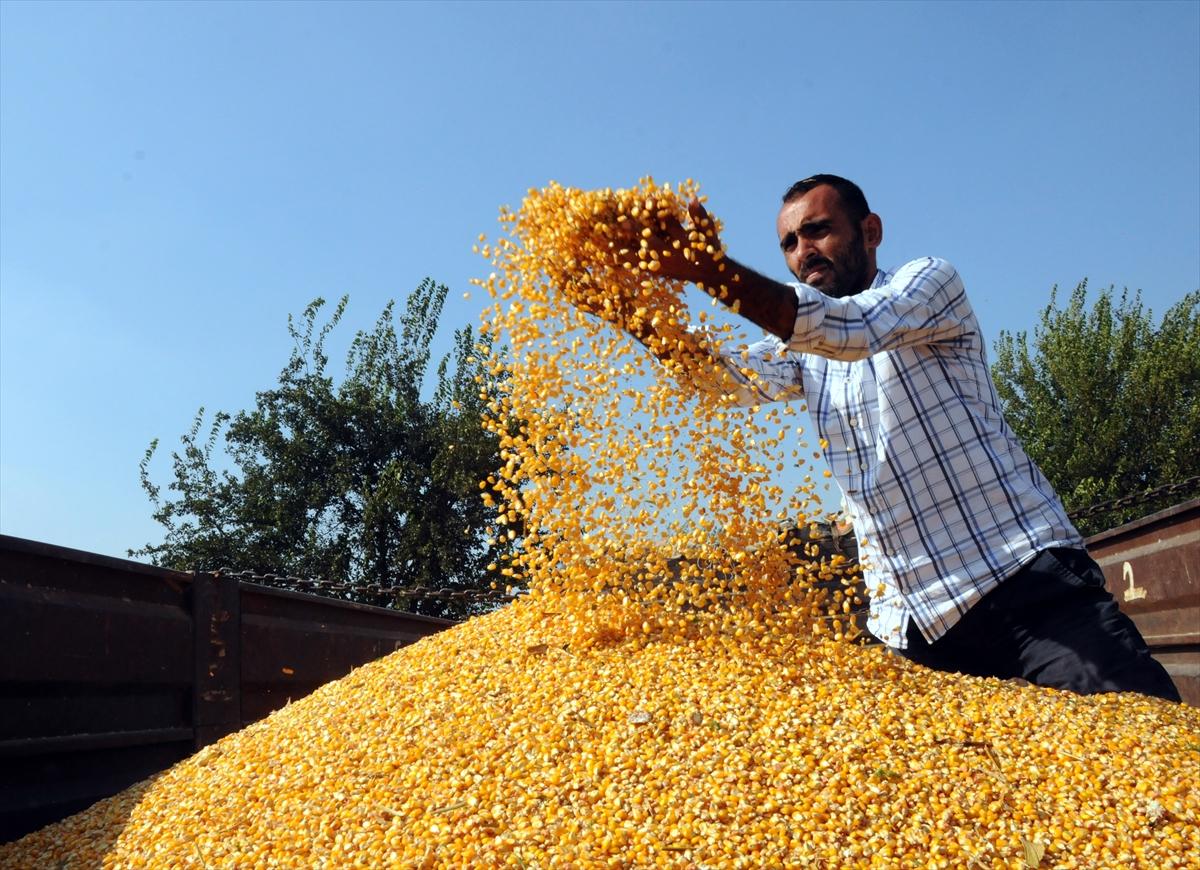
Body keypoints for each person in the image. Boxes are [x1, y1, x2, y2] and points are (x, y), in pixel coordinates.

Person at [616, 173, 1180, 702]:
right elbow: (723, 381)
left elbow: (851, 329)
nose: (802, 252)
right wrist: (630, 314)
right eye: (789, 243)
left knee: (1147, 760)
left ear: (870, 231)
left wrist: (710, 272)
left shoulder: (930, 286)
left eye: (818, 230)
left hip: (1028, 597)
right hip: (914, 634)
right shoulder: (807, 355)